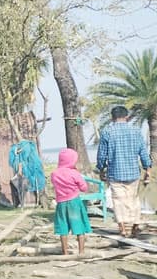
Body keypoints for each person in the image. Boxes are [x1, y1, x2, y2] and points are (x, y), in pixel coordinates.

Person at [96, 105, 152, 237]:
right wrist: (147, 168)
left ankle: (122, 228)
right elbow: (143, 152)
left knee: (118, 200)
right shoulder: (135, 131)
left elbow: (102, 155)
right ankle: (135, 226)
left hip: (115, 172)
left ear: (112, 117)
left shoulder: (107, 132)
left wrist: (101, 168)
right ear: (127, 117)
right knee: (133, 199)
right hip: (133, 172)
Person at [51, 148, 92, 255]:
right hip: (74, 202)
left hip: (61, 203)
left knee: (63, 227)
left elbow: (55, 186)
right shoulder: (74, 173)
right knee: (79, 226)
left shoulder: (54, 174)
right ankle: (81, 252)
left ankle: (65, 253)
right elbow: (84, 188)